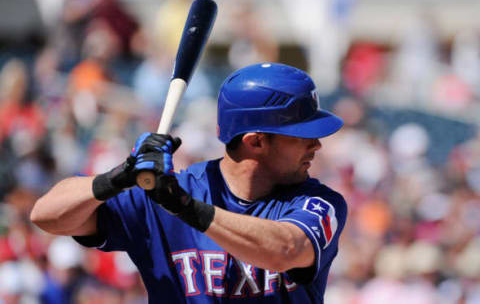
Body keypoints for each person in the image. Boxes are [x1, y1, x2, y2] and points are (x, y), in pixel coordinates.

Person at [31, 62, 347, 303]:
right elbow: (46, 216)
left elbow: (284, 249)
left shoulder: (319, 202)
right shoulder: (171, 194)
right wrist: (121, 175)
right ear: (256, 141)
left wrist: (186, 209)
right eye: (302, 135)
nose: (316, 145)